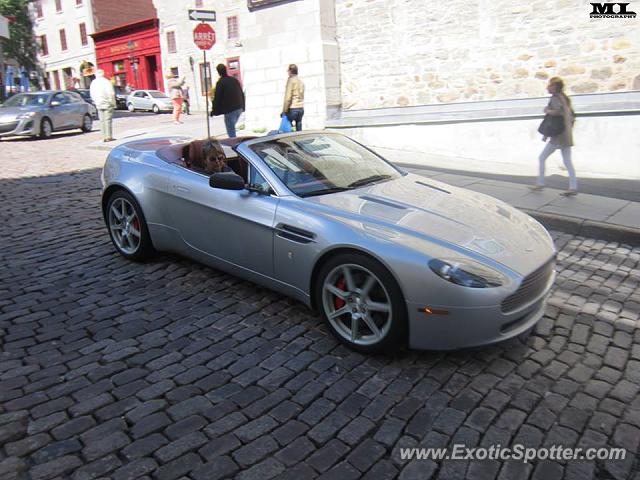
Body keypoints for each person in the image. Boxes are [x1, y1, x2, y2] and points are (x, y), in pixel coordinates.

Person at [532, 76, 578, 196]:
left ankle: (540, 183)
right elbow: (571, 116)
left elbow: (557, 112)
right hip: (566, 134)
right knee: (567, 161)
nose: (548, 87)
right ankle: (573, 187)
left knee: (542, 157)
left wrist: (547, 110)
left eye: (550, 85)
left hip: (558, 135)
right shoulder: (565, 98)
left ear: (555, 87)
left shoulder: (556, 98)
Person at [210, 64, 245, 138]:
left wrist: (214, 111)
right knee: (232, 128)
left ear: (219, 72)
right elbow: (241, 93)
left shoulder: (221, 82)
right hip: (239, 107)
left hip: (230, 110)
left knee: (231, 132)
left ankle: (234, 146)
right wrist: (243, 106)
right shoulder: (234, 80)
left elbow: (217, 98)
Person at [89, 69, 116, 142]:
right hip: (107, 103)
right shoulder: (106, 82)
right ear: (103, 74)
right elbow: (111, 93)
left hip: (98, 104)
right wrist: (112, 102)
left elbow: (92, 94)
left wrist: (95, 101)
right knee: (108, 120)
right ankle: (109, 136)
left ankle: (103, 136)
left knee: (102, 120)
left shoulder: (93, 83)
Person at [282, 64, 305, 131]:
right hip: (301, 108)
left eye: (288, 70)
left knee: (287, 127)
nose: (287, 72)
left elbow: (288, 98)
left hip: (293, 108)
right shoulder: (301, 81)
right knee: (299, 126)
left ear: (290, 71)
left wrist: (284, 111)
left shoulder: (291, 81)